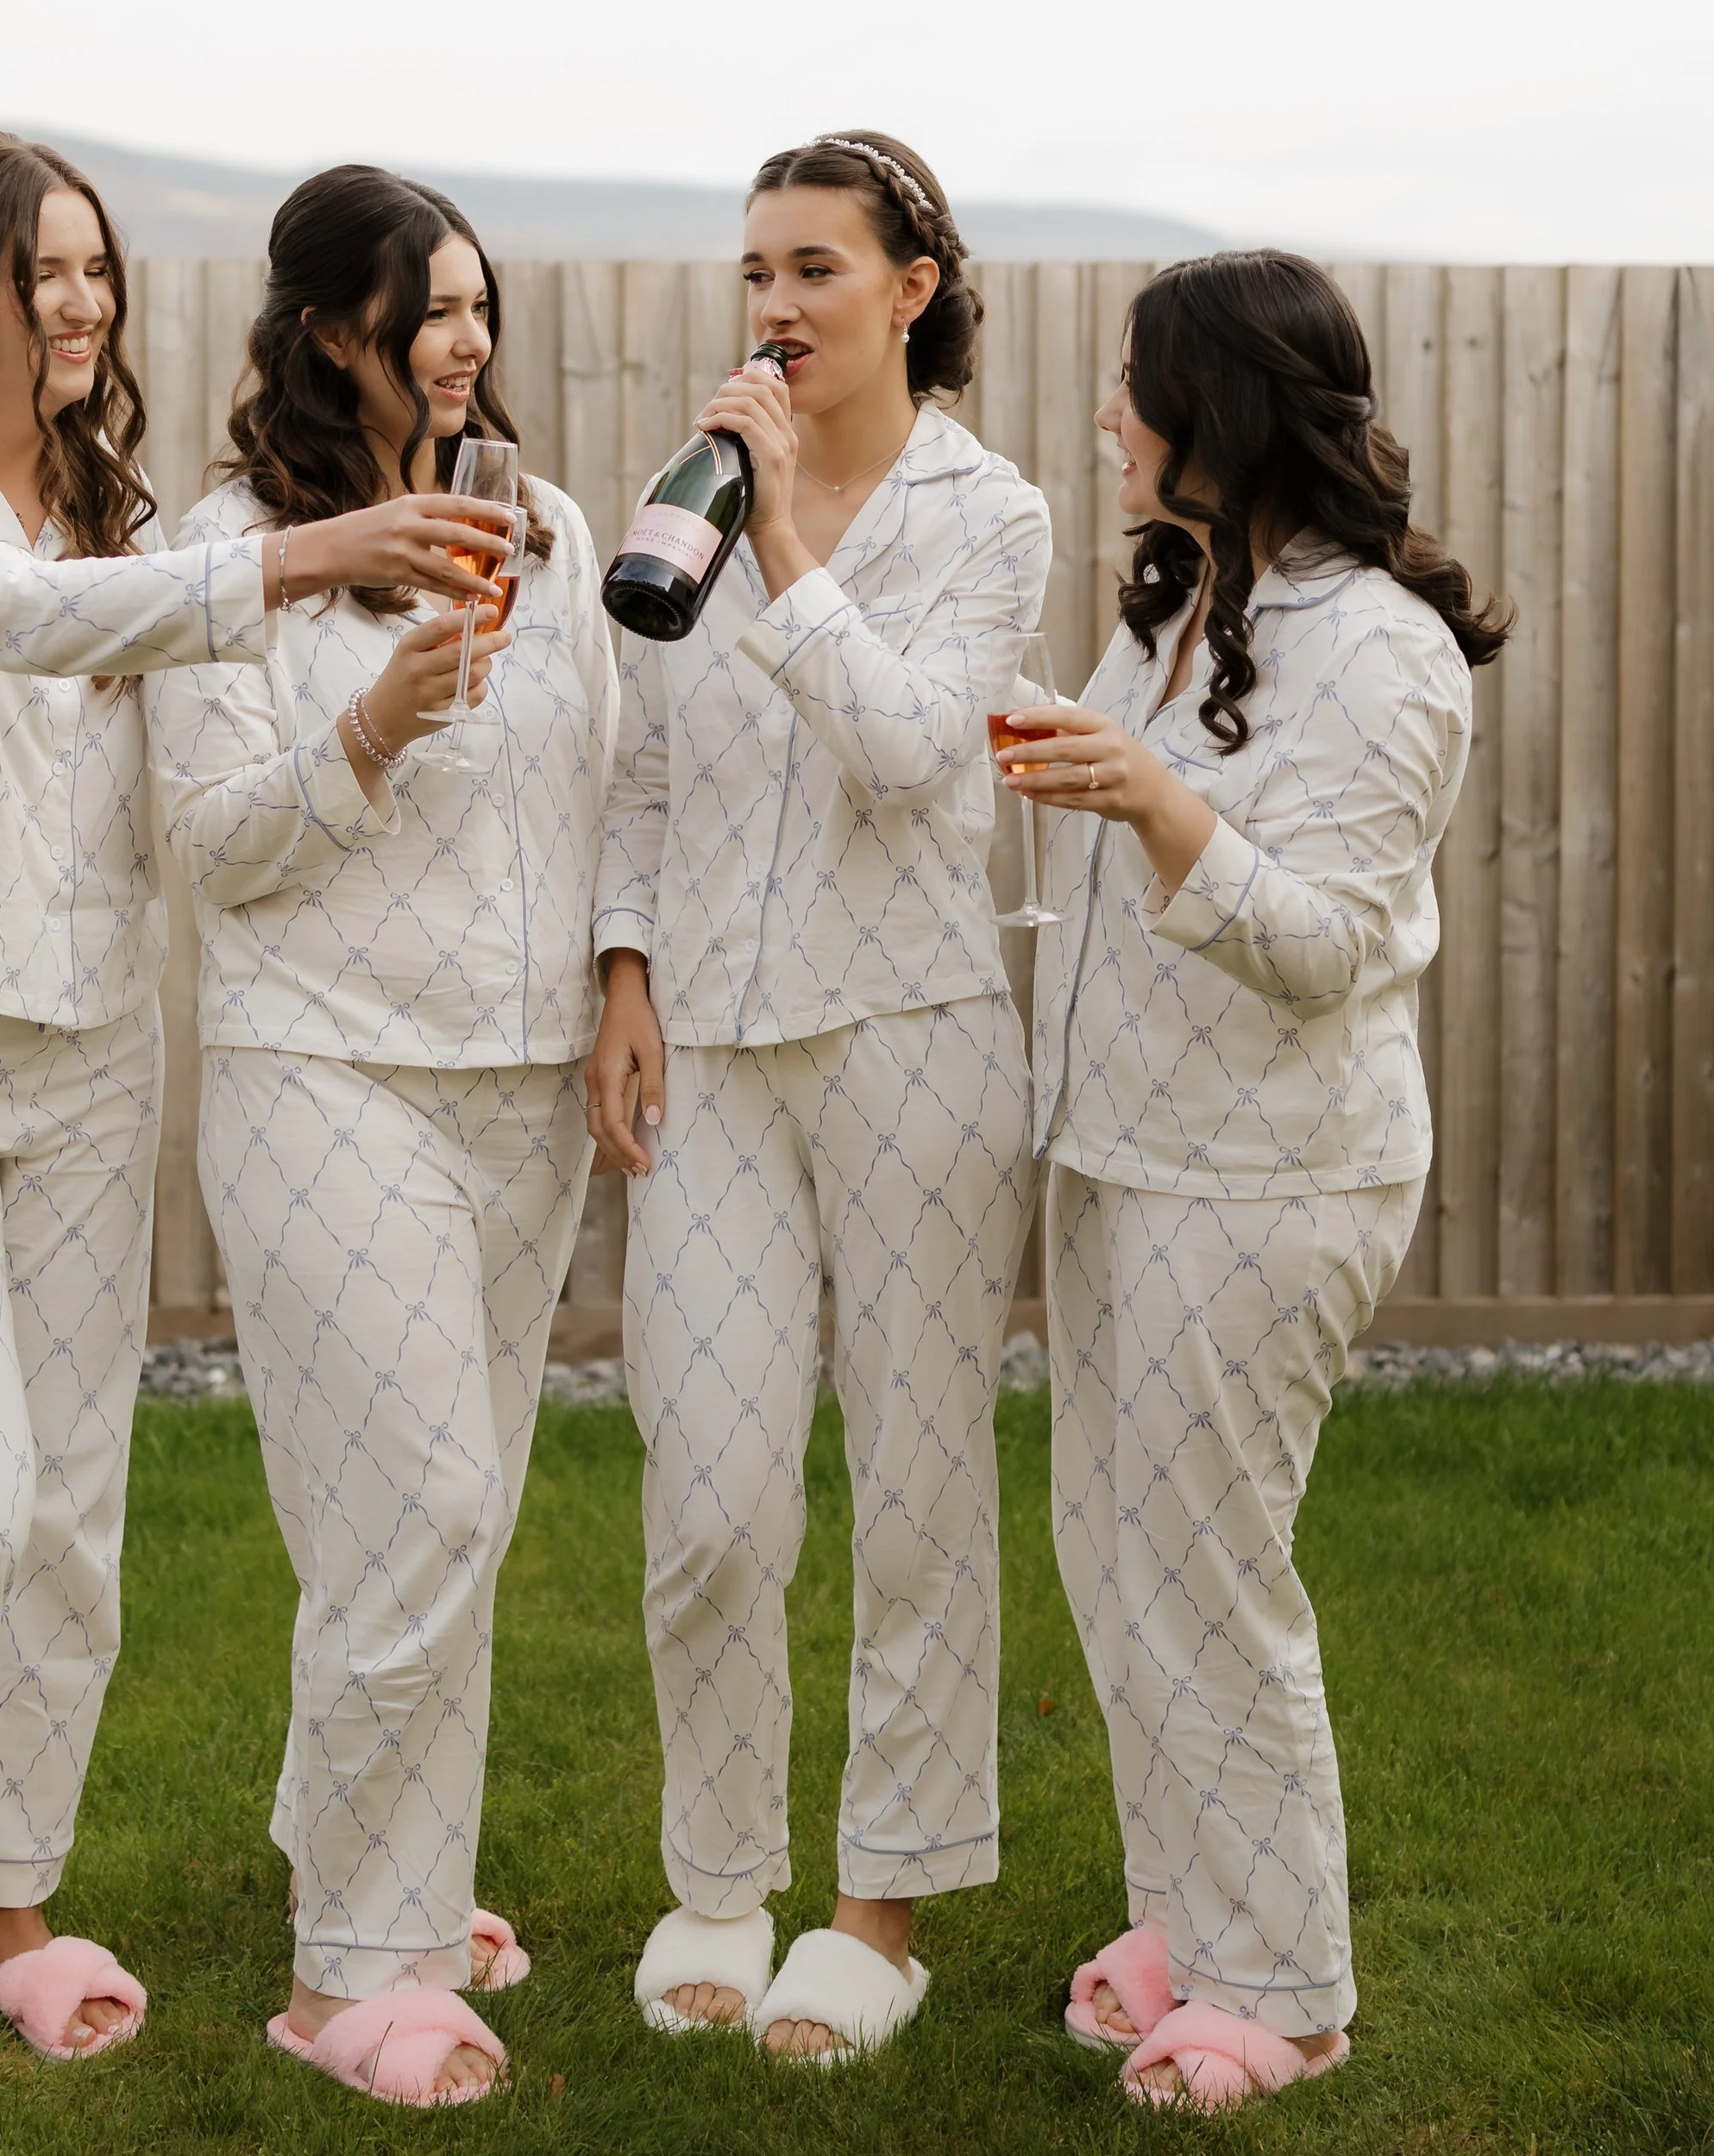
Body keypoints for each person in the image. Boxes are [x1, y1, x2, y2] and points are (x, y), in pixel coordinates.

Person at [0, 131, 509, 2064]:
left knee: (69, 1517)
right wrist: (306, 553)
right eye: (45, 270)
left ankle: (12, 1895)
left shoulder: (119, 502)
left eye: (96, 265)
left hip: (91, 1040)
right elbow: (16, 619)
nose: (83, 301)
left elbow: (188, 748)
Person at [999, 248, 1509, 2112]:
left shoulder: (1381, 648)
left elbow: (1322, 946)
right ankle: (1188, 1925)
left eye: (1129, 382)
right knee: (1117, 1556)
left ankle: (1283, 1993)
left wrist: (1150, 803)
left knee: (1210, 1574)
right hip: (1123, 1152)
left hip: (1267, 1174)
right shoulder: (1182, 601)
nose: (1105, 414)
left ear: (1216, 406)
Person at [145, 166, 614, 2108]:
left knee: (445, 1521)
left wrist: (619, 980)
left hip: (522, 1091)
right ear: (333, 327)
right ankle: (352, 1971)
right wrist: (374, 726)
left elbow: (612, 779)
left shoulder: (544, 525)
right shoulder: (229, 551)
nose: (467, 338)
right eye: (435, 306)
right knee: (412, 1506)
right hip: (323, 1073)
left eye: (482, 303)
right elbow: (207, 844)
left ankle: (382, 1855)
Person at [586, 131, 1051, 2061]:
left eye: (815, 271)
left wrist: (780, 539)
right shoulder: (681, 494)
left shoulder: (989, 515)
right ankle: (716, 1878)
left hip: (912, 1038)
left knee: (919, 1492)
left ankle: (881, 1910)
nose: (774, 308)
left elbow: (914, 754)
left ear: (911, 290)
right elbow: (639, 765)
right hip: (709, 1045)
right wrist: (624, 967)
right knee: (707, 1494)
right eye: (756, 271)